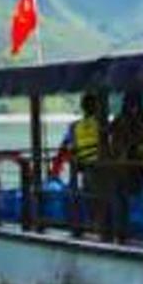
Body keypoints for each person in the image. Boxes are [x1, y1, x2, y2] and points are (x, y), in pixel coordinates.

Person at [54, 92, 109, 235]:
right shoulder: (101, 124)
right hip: (99, 168)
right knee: (100, 198)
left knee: (89, 196)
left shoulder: (75, 126)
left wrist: (55, 169)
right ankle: (100, 227)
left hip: (84, 167)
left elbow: (66, 146)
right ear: (97, 107)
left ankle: (90, 225)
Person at [113, 90, 143, 197]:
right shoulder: (120, 120)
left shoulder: (141, 121)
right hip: (125, 162)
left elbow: (142, 139)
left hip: (134, 162)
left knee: (132, 190)